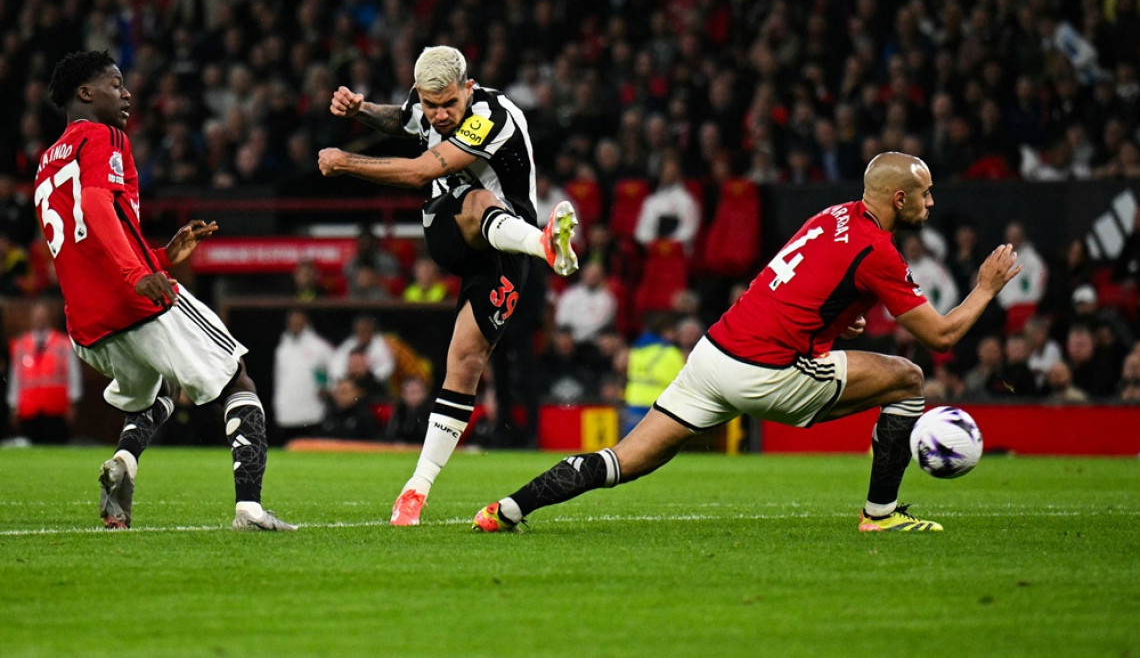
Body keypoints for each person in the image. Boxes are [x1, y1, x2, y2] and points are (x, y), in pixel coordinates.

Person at [473, 152, 1021, 534]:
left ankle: (508, 510)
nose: (931, 203)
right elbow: (942, 336)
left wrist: (835, 324)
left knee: (624, 460)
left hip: (714, 355)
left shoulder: (832, 216)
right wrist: (985, 288)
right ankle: (881, 515)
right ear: (899, 198)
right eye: (925, 194)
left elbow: (793, 286)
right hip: (766, 371)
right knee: (908, 379)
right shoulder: (877, 249)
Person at [318, 44, 579, 525]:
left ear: (469, 89)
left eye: (449, 104)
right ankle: (546, 245)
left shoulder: (491, 117)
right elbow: (404, 119)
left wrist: (346, 161)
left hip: (505, 248)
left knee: (466, 362)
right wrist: (362, 110)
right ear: (420, 92)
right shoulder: (427, 106)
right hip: (450, 228)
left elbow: (421, 169)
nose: (439, 115)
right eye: (431, 104)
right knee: (476, 200)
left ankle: (414, 492)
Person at [37, 50, 294, 531]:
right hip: (135, 302)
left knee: (162, 390)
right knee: (237, 379)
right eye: (115, 84)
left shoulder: (46, 165)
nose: (127, 93)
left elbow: (85, 242)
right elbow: (96, 205)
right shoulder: (103, 135)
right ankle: (250, 509)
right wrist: (138, 275)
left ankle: (124, 463)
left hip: (87, 325)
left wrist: (158, 257)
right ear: (85, 93)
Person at [6, 301, 82, 444]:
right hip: (29, 408)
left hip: (56, 407)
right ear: (31, 318)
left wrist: (73, 402)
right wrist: (13, 406)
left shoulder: (63, 343)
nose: (40, 319)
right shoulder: (21, 345)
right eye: (37, 316)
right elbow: (15, 378)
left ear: (49, 318)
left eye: (43, 316)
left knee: (57, 446)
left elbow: (73, 375)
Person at [271, 309, 334, 445]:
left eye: (298, 322)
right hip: (287, 412)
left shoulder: (319, 347)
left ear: (306, 323)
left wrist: (328, 387)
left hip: (312, 412)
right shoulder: (282, 348)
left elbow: (334, 370)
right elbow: (279, 379)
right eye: (292, 323)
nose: (295, 326)